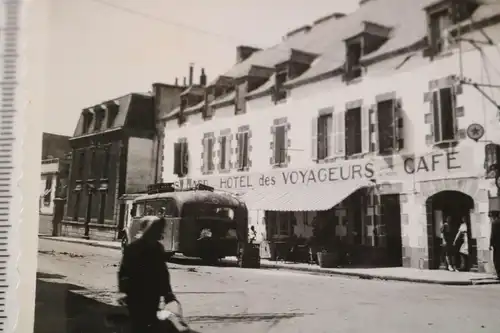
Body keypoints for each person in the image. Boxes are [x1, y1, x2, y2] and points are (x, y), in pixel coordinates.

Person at [118, 217, 177, 333]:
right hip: (136, 293)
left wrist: (167, 293)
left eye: (159, 231)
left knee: (149, 322)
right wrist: (124, 291)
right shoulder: (133, 248)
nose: (159, 234)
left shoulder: (158, 248)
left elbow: (163, 272)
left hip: (152, 294)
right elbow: (124, 271)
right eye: (155, 231)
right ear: (147, 230)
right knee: (139, 324)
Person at [489, 210, 500, 278]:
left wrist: (490, 244)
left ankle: (499, 274)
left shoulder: (494, 223)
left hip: (497, 245)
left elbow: (493, 235)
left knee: (496, 259)